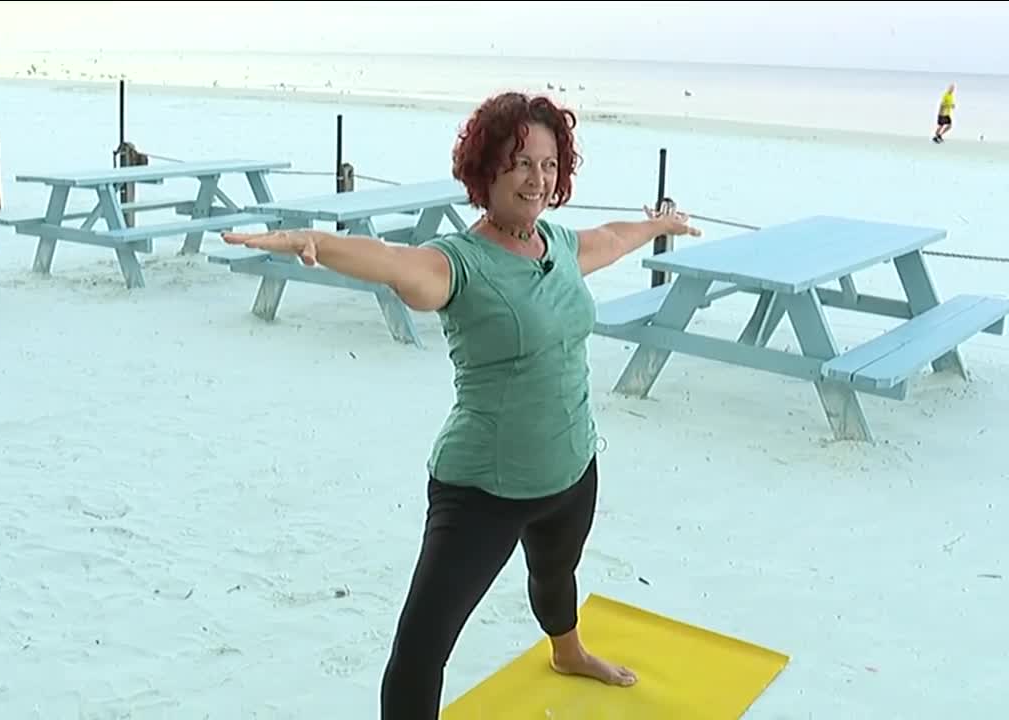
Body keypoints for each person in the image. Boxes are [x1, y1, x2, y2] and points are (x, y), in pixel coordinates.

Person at [222, 91, 702, 719]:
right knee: (422, 648)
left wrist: (658, 226)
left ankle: (568, 651)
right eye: (521, 162)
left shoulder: (556, 244)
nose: (538, 179)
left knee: (556, 580)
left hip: (573, 467)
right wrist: (316, 240)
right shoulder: (459, 265)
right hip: (484, 489)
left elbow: (611, 237)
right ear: (487, 169)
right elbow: (395, 263)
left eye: (549, 164)